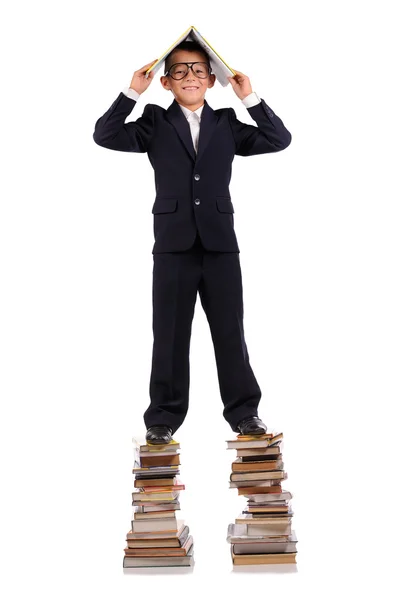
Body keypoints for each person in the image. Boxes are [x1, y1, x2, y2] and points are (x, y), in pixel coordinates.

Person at [93, 41, 291, 444]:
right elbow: (105, 134)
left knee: (229, 332)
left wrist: (248, 96)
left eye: (199, 70)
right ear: (165, 82)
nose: (190, 77)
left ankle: (244, 413)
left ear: (212, 79)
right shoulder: (153, 122)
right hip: (172, 245)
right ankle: (162, 417)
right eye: (180, 70)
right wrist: (133, 91)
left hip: (220, 244)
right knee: (168, 333)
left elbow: (278, 138)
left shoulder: (227, 124)